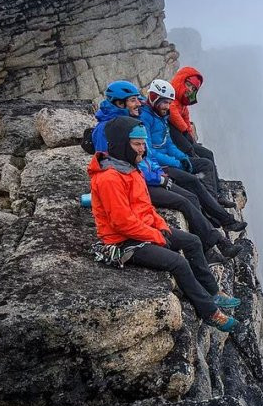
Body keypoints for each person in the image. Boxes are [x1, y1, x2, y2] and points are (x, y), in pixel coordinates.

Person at [87, 116, 241, 332]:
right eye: (137, 144)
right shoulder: (110, 179)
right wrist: (156, 236)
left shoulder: (130, 170)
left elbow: (146, 207)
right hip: (123, 242)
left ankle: (213, 292)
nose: (142, 149)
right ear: (122, 144)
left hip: (143, 230)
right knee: (177, 262)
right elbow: (122, 223)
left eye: (143, 144)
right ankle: (210, 313)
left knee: (193, 241)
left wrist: (160, 225)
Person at [92, 81, 245, 258]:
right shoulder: (107, 130)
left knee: (190, 196)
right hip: (135, 187)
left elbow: (145, 157)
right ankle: (214, 245)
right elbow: (121, 166)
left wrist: (163, 169)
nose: (139, 103)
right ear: (120, 103)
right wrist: (158, 177)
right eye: (133, 100)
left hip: (143, 180)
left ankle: (215, 242)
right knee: (185, 200)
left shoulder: (129, 123)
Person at [138, 80, 246, 230]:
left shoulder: (160, 117)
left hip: (169, 161)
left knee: (205, 164)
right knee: (193, 183)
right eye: (164, 103)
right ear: (155, 98)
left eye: (169, 103)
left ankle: (213, 203)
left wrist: (182, 157)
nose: (167, 107)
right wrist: (177, 162)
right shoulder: (145, 118)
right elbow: (149, 151)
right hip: (160, 165)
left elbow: (168, 143)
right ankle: (225, 219)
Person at [168, 66, 217, 163]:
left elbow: (186, 119)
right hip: (174, 139)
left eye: (193, 88)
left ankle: (215, 178)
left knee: (208, 154)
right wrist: (186, 132)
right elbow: (172, 112)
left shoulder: (182, 104)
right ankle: (214, 177)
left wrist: (190, 135)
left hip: (181, 138)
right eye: (188, 84)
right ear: (180, 80)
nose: (190, 90)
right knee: (205, 157)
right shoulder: (169, 95)